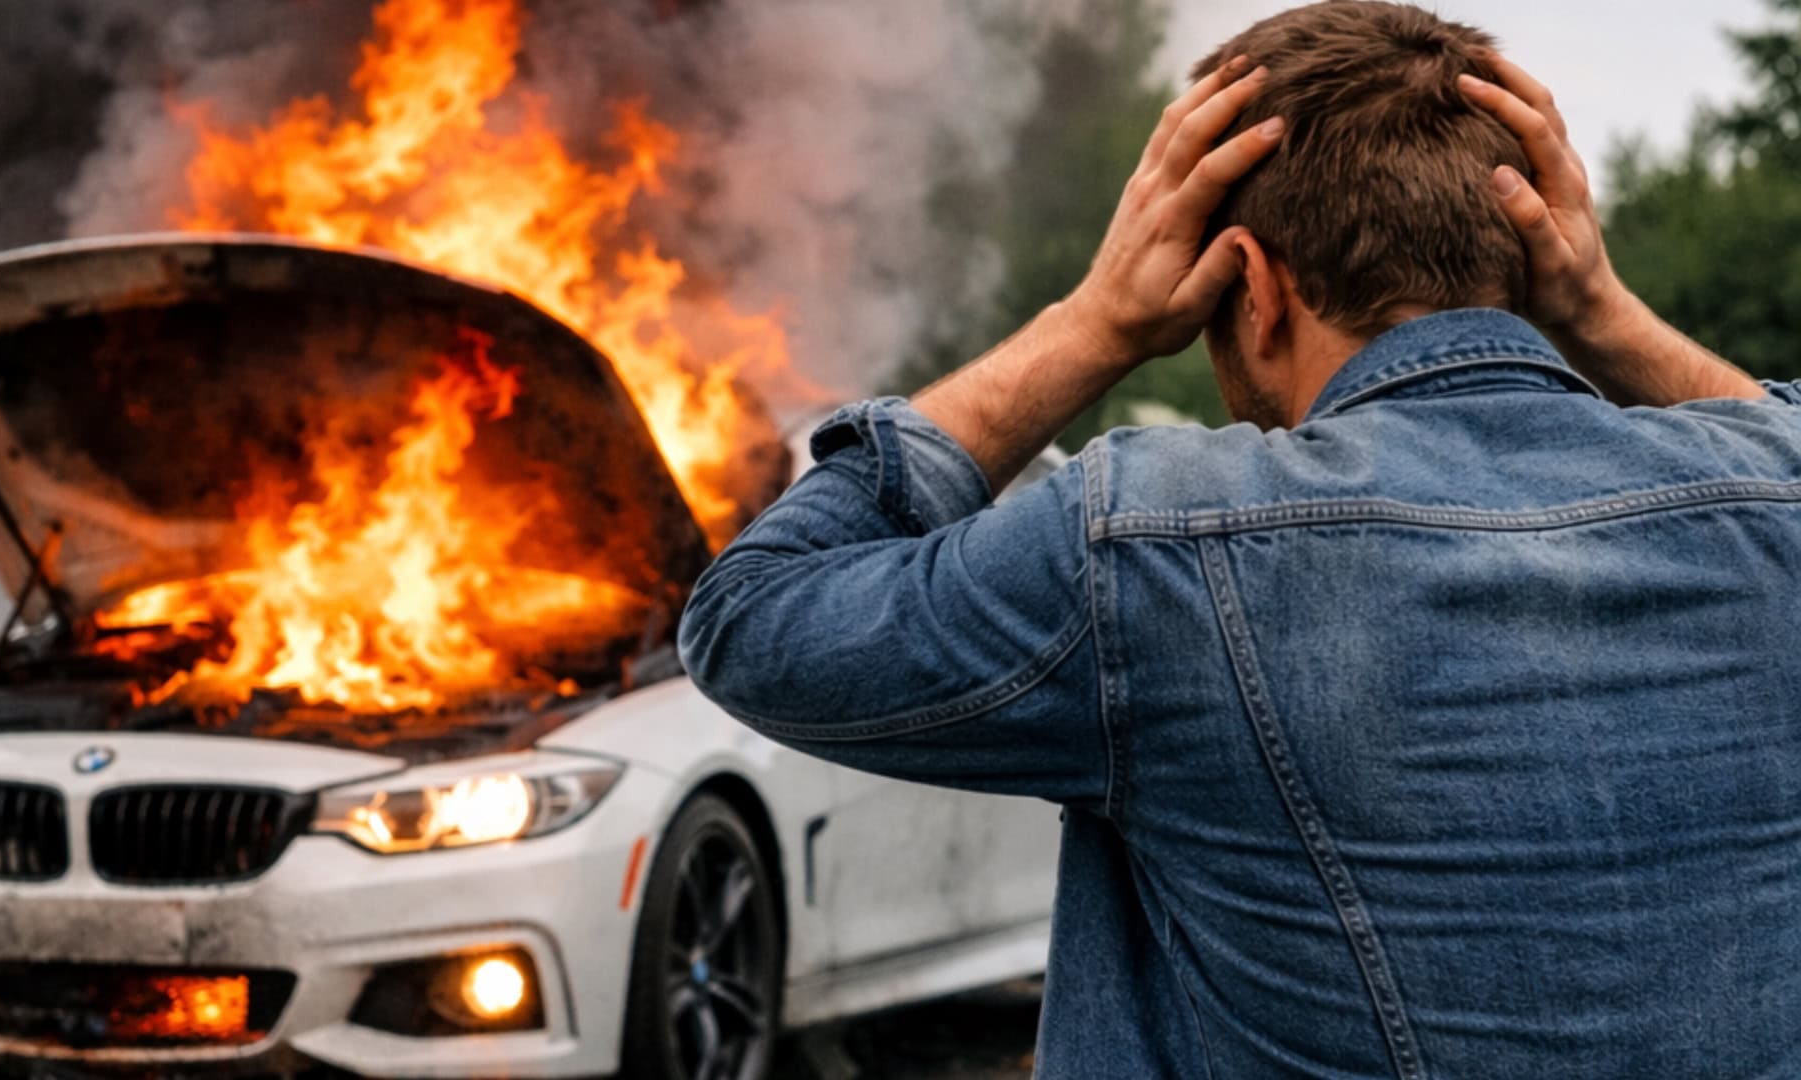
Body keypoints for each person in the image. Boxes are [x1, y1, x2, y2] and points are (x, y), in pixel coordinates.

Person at [681, 2, 1798, 1076]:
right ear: (1538, 255)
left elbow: (753, 620)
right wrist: (1604, 312)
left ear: (1253, 286)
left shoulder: (1154, 546)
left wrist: (1094, 325)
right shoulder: (1774, 506)